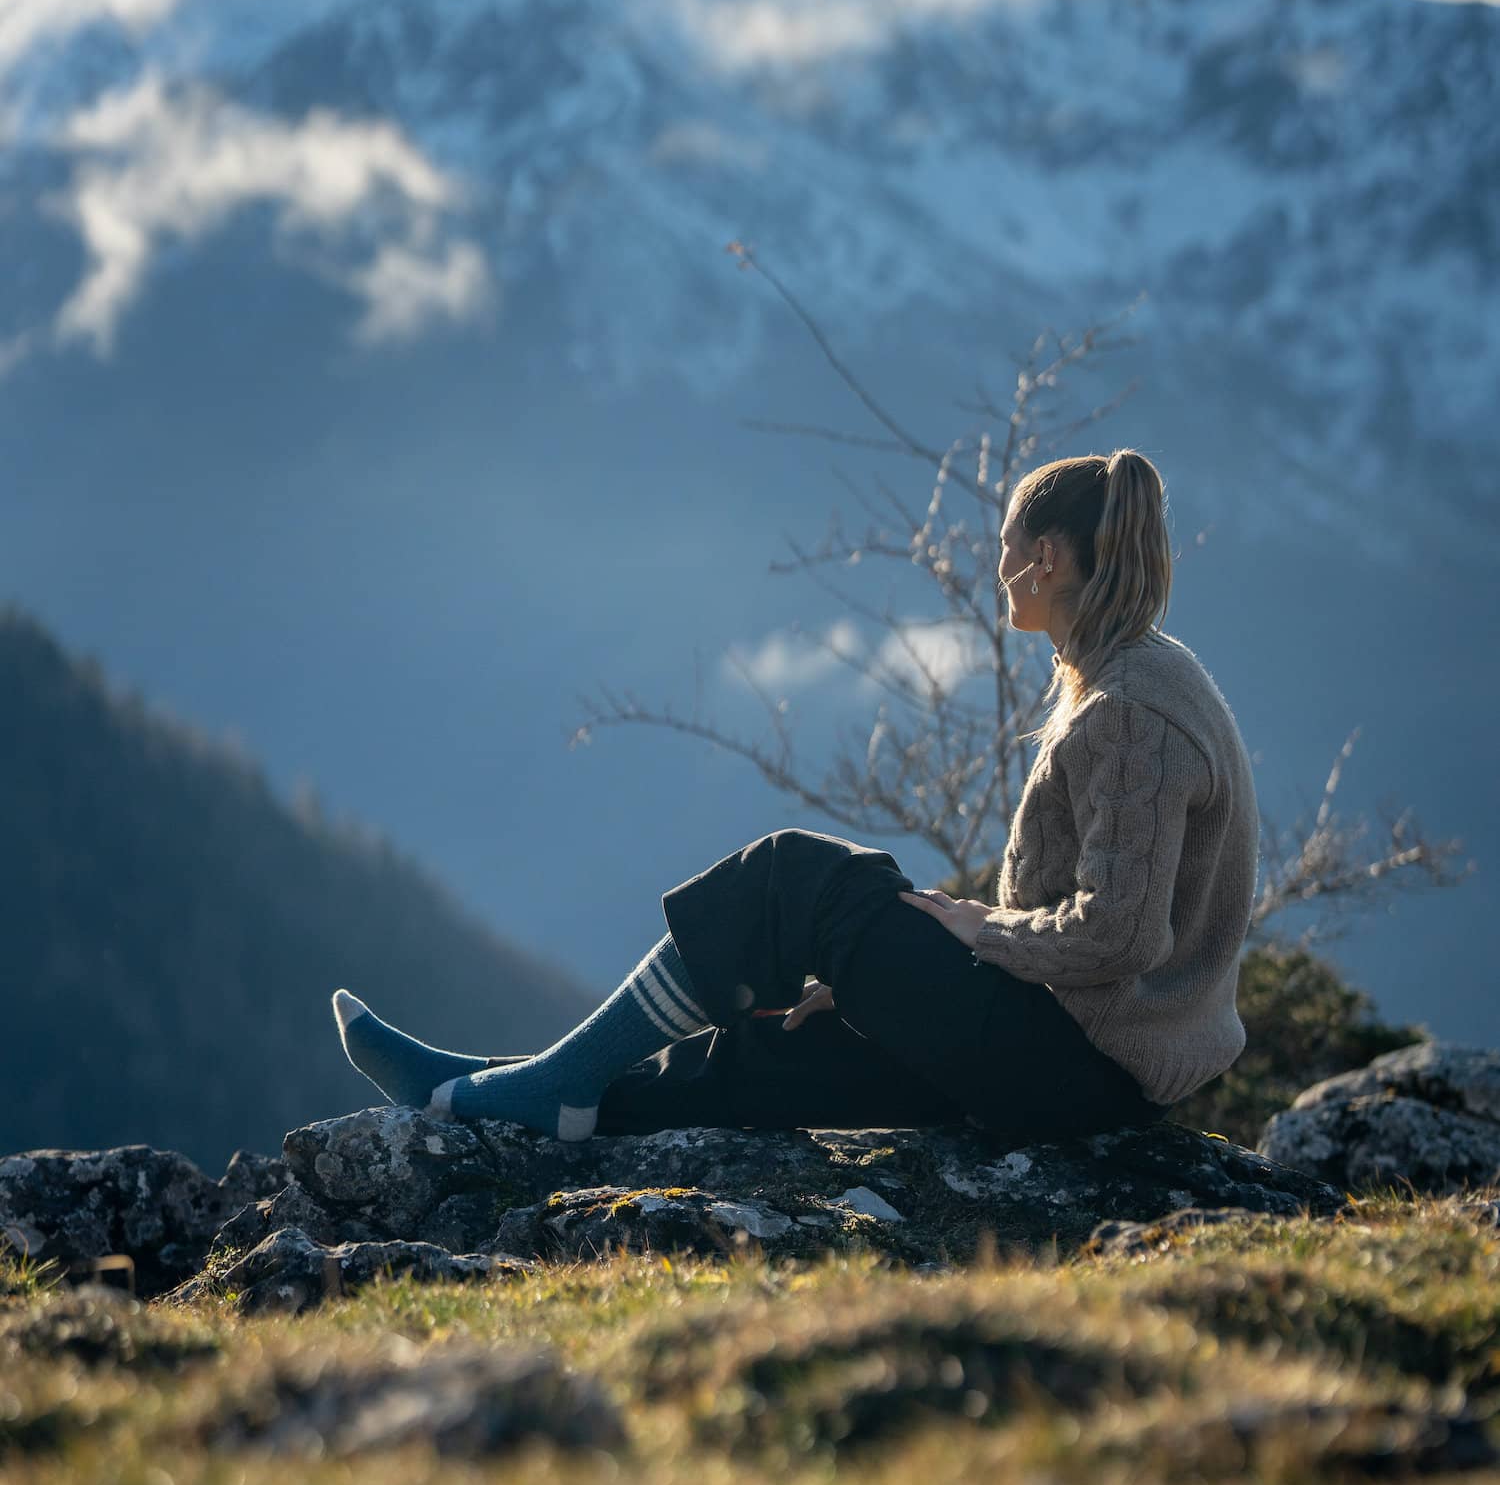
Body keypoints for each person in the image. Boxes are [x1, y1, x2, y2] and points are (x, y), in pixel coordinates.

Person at [332, 448, 1260, 1148]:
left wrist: (978, 934)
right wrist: (885, 973)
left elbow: (1123, 933)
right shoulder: (1136, 676)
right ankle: (523, 1093)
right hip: (1072, 1060)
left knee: (799, 876)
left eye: (1006, 548)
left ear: (1047, 558)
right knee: (781, 1056)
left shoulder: (1132, 710)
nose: (999, 565)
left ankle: (543, 1083)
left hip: (1084, 1073)